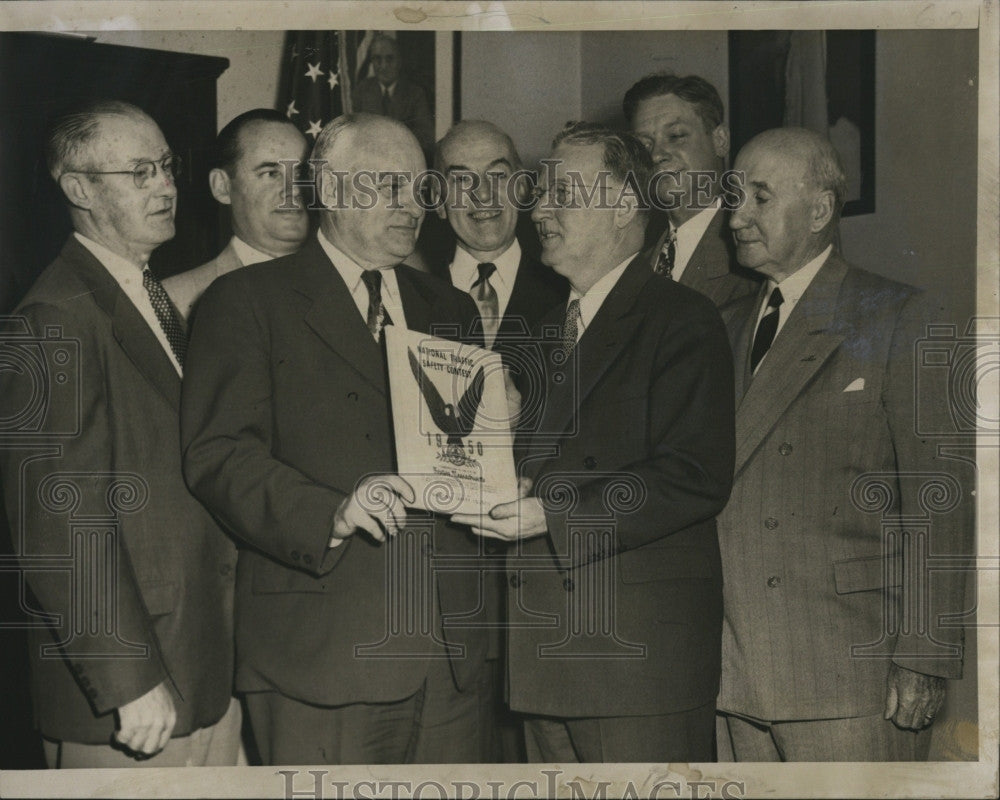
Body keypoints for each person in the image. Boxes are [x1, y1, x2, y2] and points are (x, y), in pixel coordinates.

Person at [180, 113, 491, 765]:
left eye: (419, 186)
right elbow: (218, 455)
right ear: (325, 189)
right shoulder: (244, 302)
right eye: (386, 185)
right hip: (323, 655)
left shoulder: (451, 309)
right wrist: (333, 510)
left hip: (450, 654)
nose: (411, 206)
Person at [453, 122, 735, 762]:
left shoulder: (681, 319)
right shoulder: (552, 330)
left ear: (625, 206)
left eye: (561, 193)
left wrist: (548, 513)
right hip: (547, 657)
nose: (539, 210)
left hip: (634, 668)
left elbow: (695, 475)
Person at [716, 127, 972, 761]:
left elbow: (938, 500)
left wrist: (925, 656)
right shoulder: (724, 327)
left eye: (760, 197)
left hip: (849, 669)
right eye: (733, 196)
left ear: (821, 210)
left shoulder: (896, 315)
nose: (736, 215)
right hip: (732, 670)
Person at [0, 100, 239, 767]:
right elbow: (58, 519)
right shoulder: (53, 317)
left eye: (166, 166)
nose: (166, 185)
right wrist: (129, 682)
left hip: (201, 670)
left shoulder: (143, 293)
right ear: (78, 189)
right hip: (132, 704)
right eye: (140, 172)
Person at [430, 119, 568, 761]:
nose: (482, 197)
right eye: (461, 180)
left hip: (546, 583)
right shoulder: (400, 289)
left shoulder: (572, 288)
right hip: (433, 590)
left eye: (498, 175)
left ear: (525, 183)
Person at [624, 73, 759, 307]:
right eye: (644, 145)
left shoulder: (755, 255)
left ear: (720, 140)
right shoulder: (635, 268)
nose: (656, 155)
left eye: (676, 136)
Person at [163, 109, 309, 320]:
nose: (294, 189)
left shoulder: (347, 287)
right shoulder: (176, 302)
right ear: (222, 187)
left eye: (300, 173)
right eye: (271, 173)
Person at [353, 34, 434, 153]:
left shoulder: (415, 94)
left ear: (399, 61)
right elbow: (353, 133)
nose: (383, 66)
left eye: (389, 59)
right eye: (377, 59)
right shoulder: (362, 91)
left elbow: (427, 137)